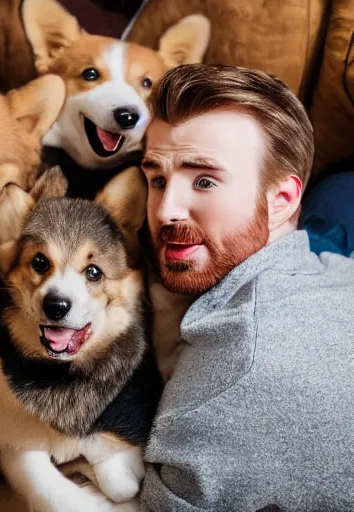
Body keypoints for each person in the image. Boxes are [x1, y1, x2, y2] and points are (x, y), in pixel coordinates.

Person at [138, 64, 354, 511]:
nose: (166, 211)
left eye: (204, 181)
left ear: (283, 199)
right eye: (157, 179)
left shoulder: (227, 383)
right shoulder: (331, 270)